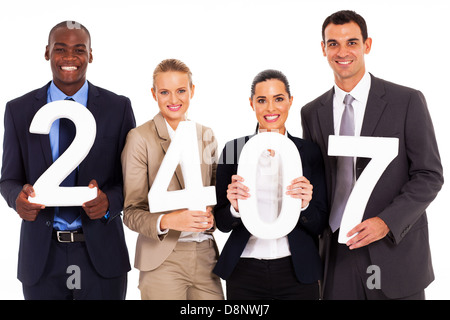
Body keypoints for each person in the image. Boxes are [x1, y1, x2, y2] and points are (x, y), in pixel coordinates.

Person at [301, 10, 444, 300]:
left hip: (394, 251)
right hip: (336, 253)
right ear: (323, 48)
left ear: (367, 45)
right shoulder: (311, 112)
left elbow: (429, 175)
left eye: (352, 42)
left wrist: (386, 222)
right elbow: (316, 176)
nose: (343, 52)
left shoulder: (406, 101)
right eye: (333, 44)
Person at [0, 21, 135, 299]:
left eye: (79, 50)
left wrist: (109, 201)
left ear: (91, 55)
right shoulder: (19, 110)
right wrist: (17, 199)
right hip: (42, 255)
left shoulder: (118, 108)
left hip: (101, 254)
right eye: (61, 49)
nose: (70, 58)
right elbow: (8, 179)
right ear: (47, 52)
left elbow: (133, 180)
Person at [213, 69, 328, 300]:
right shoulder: (233, 149)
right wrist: (234, 208)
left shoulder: (310, 151)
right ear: (251, 103)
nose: (271, 108)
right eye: (262, 100)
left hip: (297, 269)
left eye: (278, 99)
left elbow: (320, 223)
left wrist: (305, 205)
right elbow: (222, 223)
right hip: (245, 270)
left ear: (290, 101)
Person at [121, 58, 224, 300]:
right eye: (164, 92)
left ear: (192, 91)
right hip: (162, 258)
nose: (174, 100)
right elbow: (131, 212)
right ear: (153, 94)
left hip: (206, 255)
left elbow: (216, 194)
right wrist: (169, 220)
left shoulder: (206, 135)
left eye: (180, 91)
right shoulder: (140, 138)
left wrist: (212, 217)